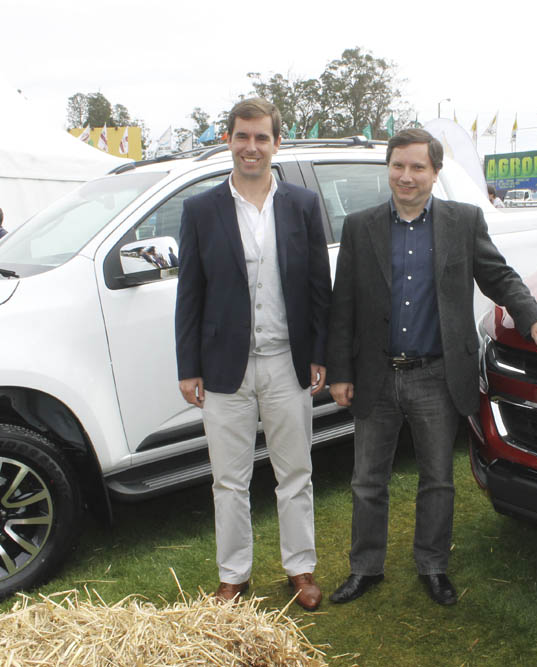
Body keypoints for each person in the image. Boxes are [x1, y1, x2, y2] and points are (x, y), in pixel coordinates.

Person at [325, 128, 537, 606]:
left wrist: (533, 315)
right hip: (375, 376)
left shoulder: (463, 221)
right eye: (398, 166)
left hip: (436, 375)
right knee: (366, 480)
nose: (407, 176)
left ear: (435, 173)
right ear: (388, 168)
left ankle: (433, 565)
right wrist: (341, 372)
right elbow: (344, 305)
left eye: (418, 167)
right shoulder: (360, 227)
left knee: (437, 479)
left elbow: (498, 275)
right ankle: (365, 567)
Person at [174, 97, 331, 610]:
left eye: (261, 137)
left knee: (295, 472)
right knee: (228, 479)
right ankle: (233, 576)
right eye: (242, 136)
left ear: (276, 143)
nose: (251, 147)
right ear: (228, 140)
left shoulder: (303, 205)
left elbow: (316, 286)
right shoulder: (201, 209)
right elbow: (190, 293)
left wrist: (319, 351)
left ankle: (300, 568)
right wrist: (188, 367)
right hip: (224, 368)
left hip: (288, 362)